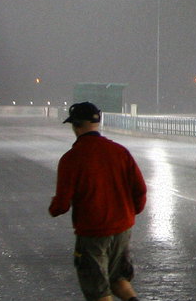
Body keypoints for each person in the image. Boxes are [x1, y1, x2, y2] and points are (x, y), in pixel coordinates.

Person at [49, 102, 147, 301]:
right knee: (118, 279)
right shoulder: (120, 152)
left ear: (76, 125)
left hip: (93, 233)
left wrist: (54, 208)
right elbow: (140, 189)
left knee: (98, 290)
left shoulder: (71, 158)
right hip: (122, 228)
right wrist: (129, 212)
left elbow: (62, 204)